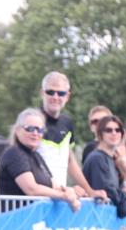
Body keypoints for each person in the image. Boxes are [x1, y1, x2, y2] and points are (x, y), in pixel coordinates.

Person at [0, 108, 81, 212]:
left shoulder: (37, 156)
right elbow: (31, 189)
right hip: (13, 218)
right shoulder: (14, 153)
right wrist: (64, 196)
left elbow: (55, 186)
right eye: (30, 129)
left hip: (34, 218)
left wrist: (71, 191)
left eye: (40, 130)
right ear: (17, 131)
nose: (35, 133)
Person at [38, 71, 105, 199]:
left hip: (61, 197)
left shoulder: (67, 122)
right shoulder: (32, 121)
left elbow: (70, 160)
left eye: (61, 93)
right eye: (50, 92)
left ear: (67, 96)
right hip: (37, 198)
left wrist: (90, 191)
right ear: (42, 93)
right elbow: (28, 163)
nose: (55, 97)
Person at [82, 115, 126, 218]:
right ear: (100, 134)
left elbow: (124, 203)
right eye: (109, 130)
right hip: (95, 219)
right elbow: (109, 193)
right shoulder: (97, 158)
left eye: (117, 130)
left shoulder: (113, 160)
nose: (114, 133)